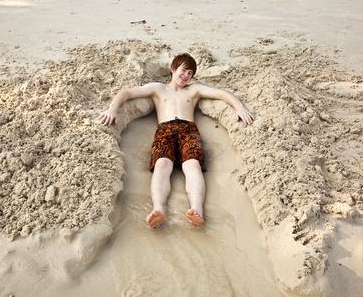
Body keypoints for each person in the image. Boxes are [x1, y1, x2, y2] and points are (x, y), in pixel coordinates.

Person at [98, 53, 254, 228]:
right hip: (165, 130)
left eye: (190, 73)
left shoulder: (193, 90)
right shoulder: (158, 89)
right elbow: (127, 93)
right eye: (184, 70)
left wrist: (239, 107)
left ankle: (196, 209)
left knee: (193, 165)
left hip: (189, 131)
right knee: (162, 165)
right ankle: (159, 209)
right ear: (173, 68)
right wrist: (112, 109)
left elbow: (221, 93)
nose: (186, 76)